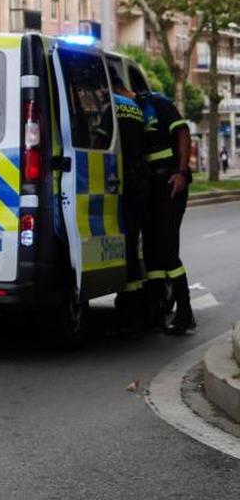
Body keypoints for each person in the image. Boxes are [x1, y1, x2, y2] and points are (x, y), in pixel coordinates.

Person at [137, 87, 195, 334]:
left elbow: (183, 133)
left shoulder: (158, 103)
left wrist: (181, 172)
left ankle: (185, 313)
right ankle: (157, 312)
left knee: (167, 249)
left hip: (171, 183)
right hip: (152, 187)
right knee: (152, 252)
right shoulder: (133, 110)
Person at [110, 69, 149, 332]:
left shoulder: (112, 107)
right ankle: (139, 299)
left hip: (124, 180)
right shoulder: (136, 108)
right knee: (134, 240)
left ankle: (129, 303)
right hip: (142, 180)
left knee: (125, 241)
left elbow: (102, 138)